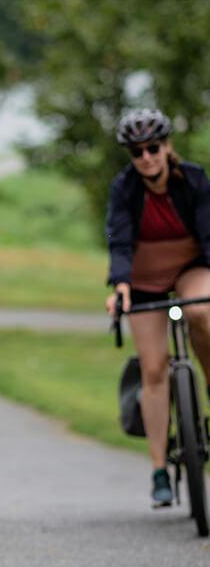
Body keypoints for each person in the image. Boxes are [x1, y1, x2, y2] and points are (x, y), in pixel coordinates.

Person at [105, 108, 210, 506]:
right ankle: (158, 469)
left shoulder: (195, 180)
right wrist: (121, 284)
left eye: (152, 147)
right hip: (144, 279)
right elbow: (119, 241)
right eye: (137, 151)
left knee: (201, 312)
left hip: (190, 268)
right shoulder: (124, 189)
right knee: (153, 367)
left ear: (167, 147)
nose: (146, 157)